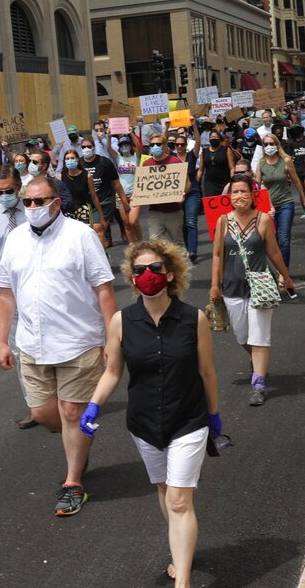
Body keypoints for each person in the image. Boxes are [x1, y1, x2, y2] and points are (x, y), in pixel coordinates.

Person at [79, 239, 220, 588]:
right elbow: (112, 372)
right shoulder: (121, 322)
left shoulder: (193, 319)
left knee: (178, 497)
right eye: (139, 270)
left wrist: (214, 415)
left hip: (188, 419)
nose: (147, 275)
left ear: (169, 274)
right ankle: (180, 550)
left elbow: (207, 371)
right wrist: (93, 405)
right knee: (163, 490)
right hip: (143, 423)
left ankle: (182, 581)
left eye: (154, 269)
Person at [0, 176, 117, 517]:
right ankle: (77, 440)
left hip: (78, 343)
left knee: (71, 414)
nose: (32, 207)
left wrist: (113, 339)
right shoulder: (15, 239)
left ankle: (73, 482)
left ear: (56, 202)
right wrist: (2, 341)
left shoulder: (81, 236)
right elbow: (6, 293)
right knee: (44, 414)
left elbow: (104, 289)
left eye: (39, 201)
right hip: (32, 344)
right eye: (27, 202)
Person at [210, 175, 295, 407]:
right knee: (242, 336)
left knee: (260, 338)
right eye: (235, 192)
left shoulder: (264, 220)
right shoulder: (222, 222)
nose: (239, 196)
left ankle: (258, 384)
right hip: (232, 288)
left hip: (260, 287)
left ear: (252, 195)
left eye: (244, 192)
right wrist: (215, 285)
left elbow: (274, 252)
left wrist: (285, 277)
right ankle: (257, 362)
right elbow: (217, 254)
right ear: (229, 197)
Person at [0, 166, 36, 429]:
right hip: (7, 290)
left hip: (38, 284)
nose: (4, 196)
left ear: (18, 187)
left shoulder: (35, 212)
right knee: (17, 348)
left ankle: (61, 398)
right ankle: (35, 405)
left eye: (8, 191)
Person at [255, 134, 305, 271]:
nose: (269, 147)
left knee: (284, 240)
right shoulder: (261, 164)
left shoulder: (285, 161)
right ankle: (279, 267)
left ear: (277, 144)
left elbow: (296, 180)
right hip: (268, 209)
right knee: (274, 241)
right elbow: (257, 186)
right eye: (266, 144)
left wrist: (304, 200)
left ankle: (283, 272)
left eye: (271, 143)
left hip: (286, 203)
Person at [79, 135, 130, 248]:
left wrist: (124, 201)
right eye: (83, 147)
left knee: (98, 229)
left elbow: (116, 183)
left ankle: (100, 256)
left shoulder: (104, 162)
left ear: (93, 147)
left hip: (104, 200)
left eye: (89, 146)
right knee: (89, 233)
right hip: (87, 203)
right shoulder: (79, 164)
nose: (86, 149)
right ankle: (100, 253)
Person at [140, 131, 187, 245]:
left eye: (158, 144)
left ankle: (182, 263)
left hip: (174, 211)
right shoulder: (146, 164)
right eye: (152, 145)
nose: (155, 147)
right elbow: (142, 185)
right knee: (156, 243)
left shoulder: (175, 161)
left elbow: (187, 183)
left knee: (178, 244)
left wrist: (183, 193)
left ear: (165, 145)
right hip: (154, 212)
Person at [60, 148, 105, 229]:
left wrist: (101, 215)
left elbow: (94, 196)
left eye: (72, 158)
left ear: (77, 160)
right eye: (67, 159)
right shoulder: (61, 177)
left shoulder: (87, 176)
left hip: (84, 209)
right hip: (68, 211)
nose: (70, 160)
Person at [175, 132, 203, 263]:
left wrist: (194, 126)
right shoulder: (171, 158)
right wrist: (167, 128)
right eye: (177, 144)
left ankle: (192, 251)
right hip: (176, 194)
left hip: (192, 192)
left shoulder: (191, 156)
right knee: (182, 224)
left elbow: (198, 141)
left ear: (186, 145)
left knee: (191, 221)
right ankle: (186, 248)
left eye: (182, 144)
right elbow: (163, 145)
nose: (179, 146)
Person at [111, 135, 144, 243]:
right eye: (122, 145)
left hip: (135, 193)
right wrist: (108, 137)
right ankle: (132, 246)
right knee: (127, 223)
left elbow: (139, 147)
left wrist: (131, 133)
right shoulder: (118, 158)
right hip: (121, 195)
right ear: (119, 147)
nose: (124, 147)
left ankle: (140, 242)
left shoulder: (136, 157)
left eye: (126, 144)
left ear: (130, 146)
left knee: (133, 221)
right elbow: (108, 149)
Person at [285, 124, 305, 217]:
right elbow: (289, 156)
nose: (295, 132)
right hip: (296, 169)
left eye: (296, 130)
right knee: (301, 191)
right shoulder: (291, 143)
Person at [199, 130, 239, 198]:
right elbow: (200, 170)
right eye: (211, 137)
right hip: (210, 183)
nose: (213, 138)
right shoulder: (204, 152)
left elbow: (232, 167)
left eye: (216, 137)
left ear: (220, 139)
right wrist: (195, 182)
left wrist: (232, 182)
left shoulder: (226, 150)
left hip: (225, 182)